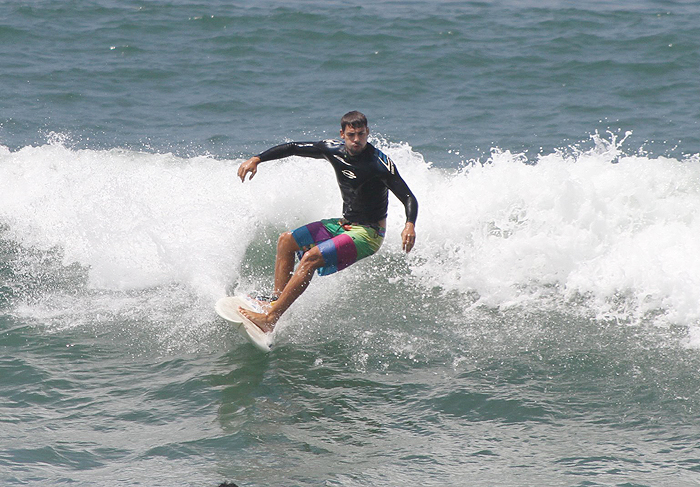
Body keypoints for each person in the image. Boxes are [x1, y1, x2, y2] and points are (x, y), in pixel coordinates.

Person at [236, 111, 418, 333]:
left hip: (369, 234)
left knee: (310, 259)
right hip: (345, 224)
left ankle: (271, 318)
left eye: (361, 134)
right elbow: (293, 147)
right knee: (286, 241)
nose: (357, 140)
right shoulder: (332, 150)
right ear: (342, 134)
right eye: (351, 135)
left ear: (368, 132)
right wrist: (257, 159)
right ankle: (275, 301)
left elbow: (408, 197)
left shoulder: (379, 163)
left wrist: (409, 224)